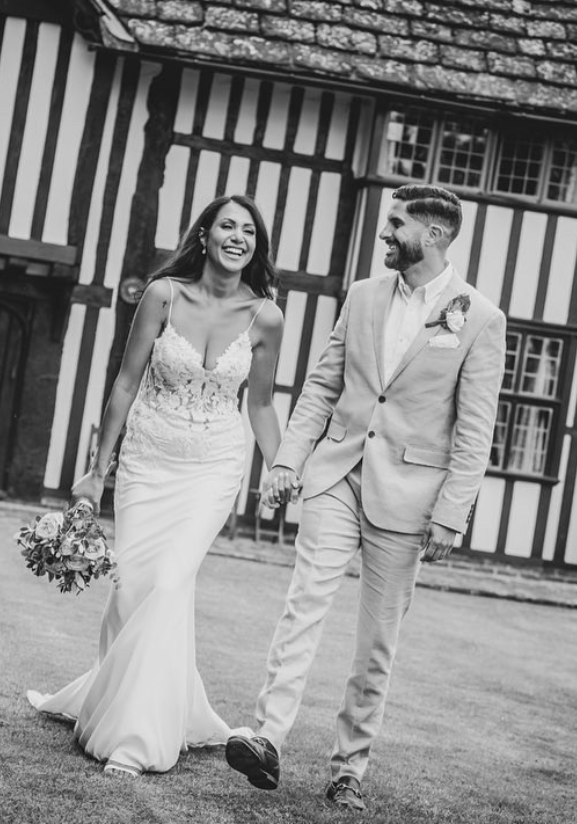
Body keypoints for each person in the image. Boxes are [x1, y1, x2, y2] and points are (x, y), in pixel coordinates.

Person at [225, 184, 506, 811]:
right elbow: (323, 385)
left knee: (377, 642)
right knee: (303, 604)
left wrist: (452, 513)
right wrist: (289, 459)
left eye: (397, 224)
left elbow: (475, 430)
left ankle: (348, 767)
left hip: (410, 497)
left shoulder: (481, 319)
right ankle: (267, 737)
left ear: (433, 235)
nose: (386, 233)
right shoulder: (362, 295)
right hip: (336, 474)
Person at [27, 194, 284, 778]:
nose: (238, 237)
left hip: (214, 465)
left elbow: (262, 405)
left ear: (256, 245)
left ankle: (136, 740)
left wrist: (281, 464)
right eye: (227, 226)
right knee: (131, 590)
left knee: (170, 583)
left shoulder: (265, 316)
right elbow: (125, 383)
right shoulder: (163, 295)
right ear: (205, 235)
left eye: (249, 231)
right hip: (147, 458)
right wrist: (98, 469)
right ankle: (118, 698)